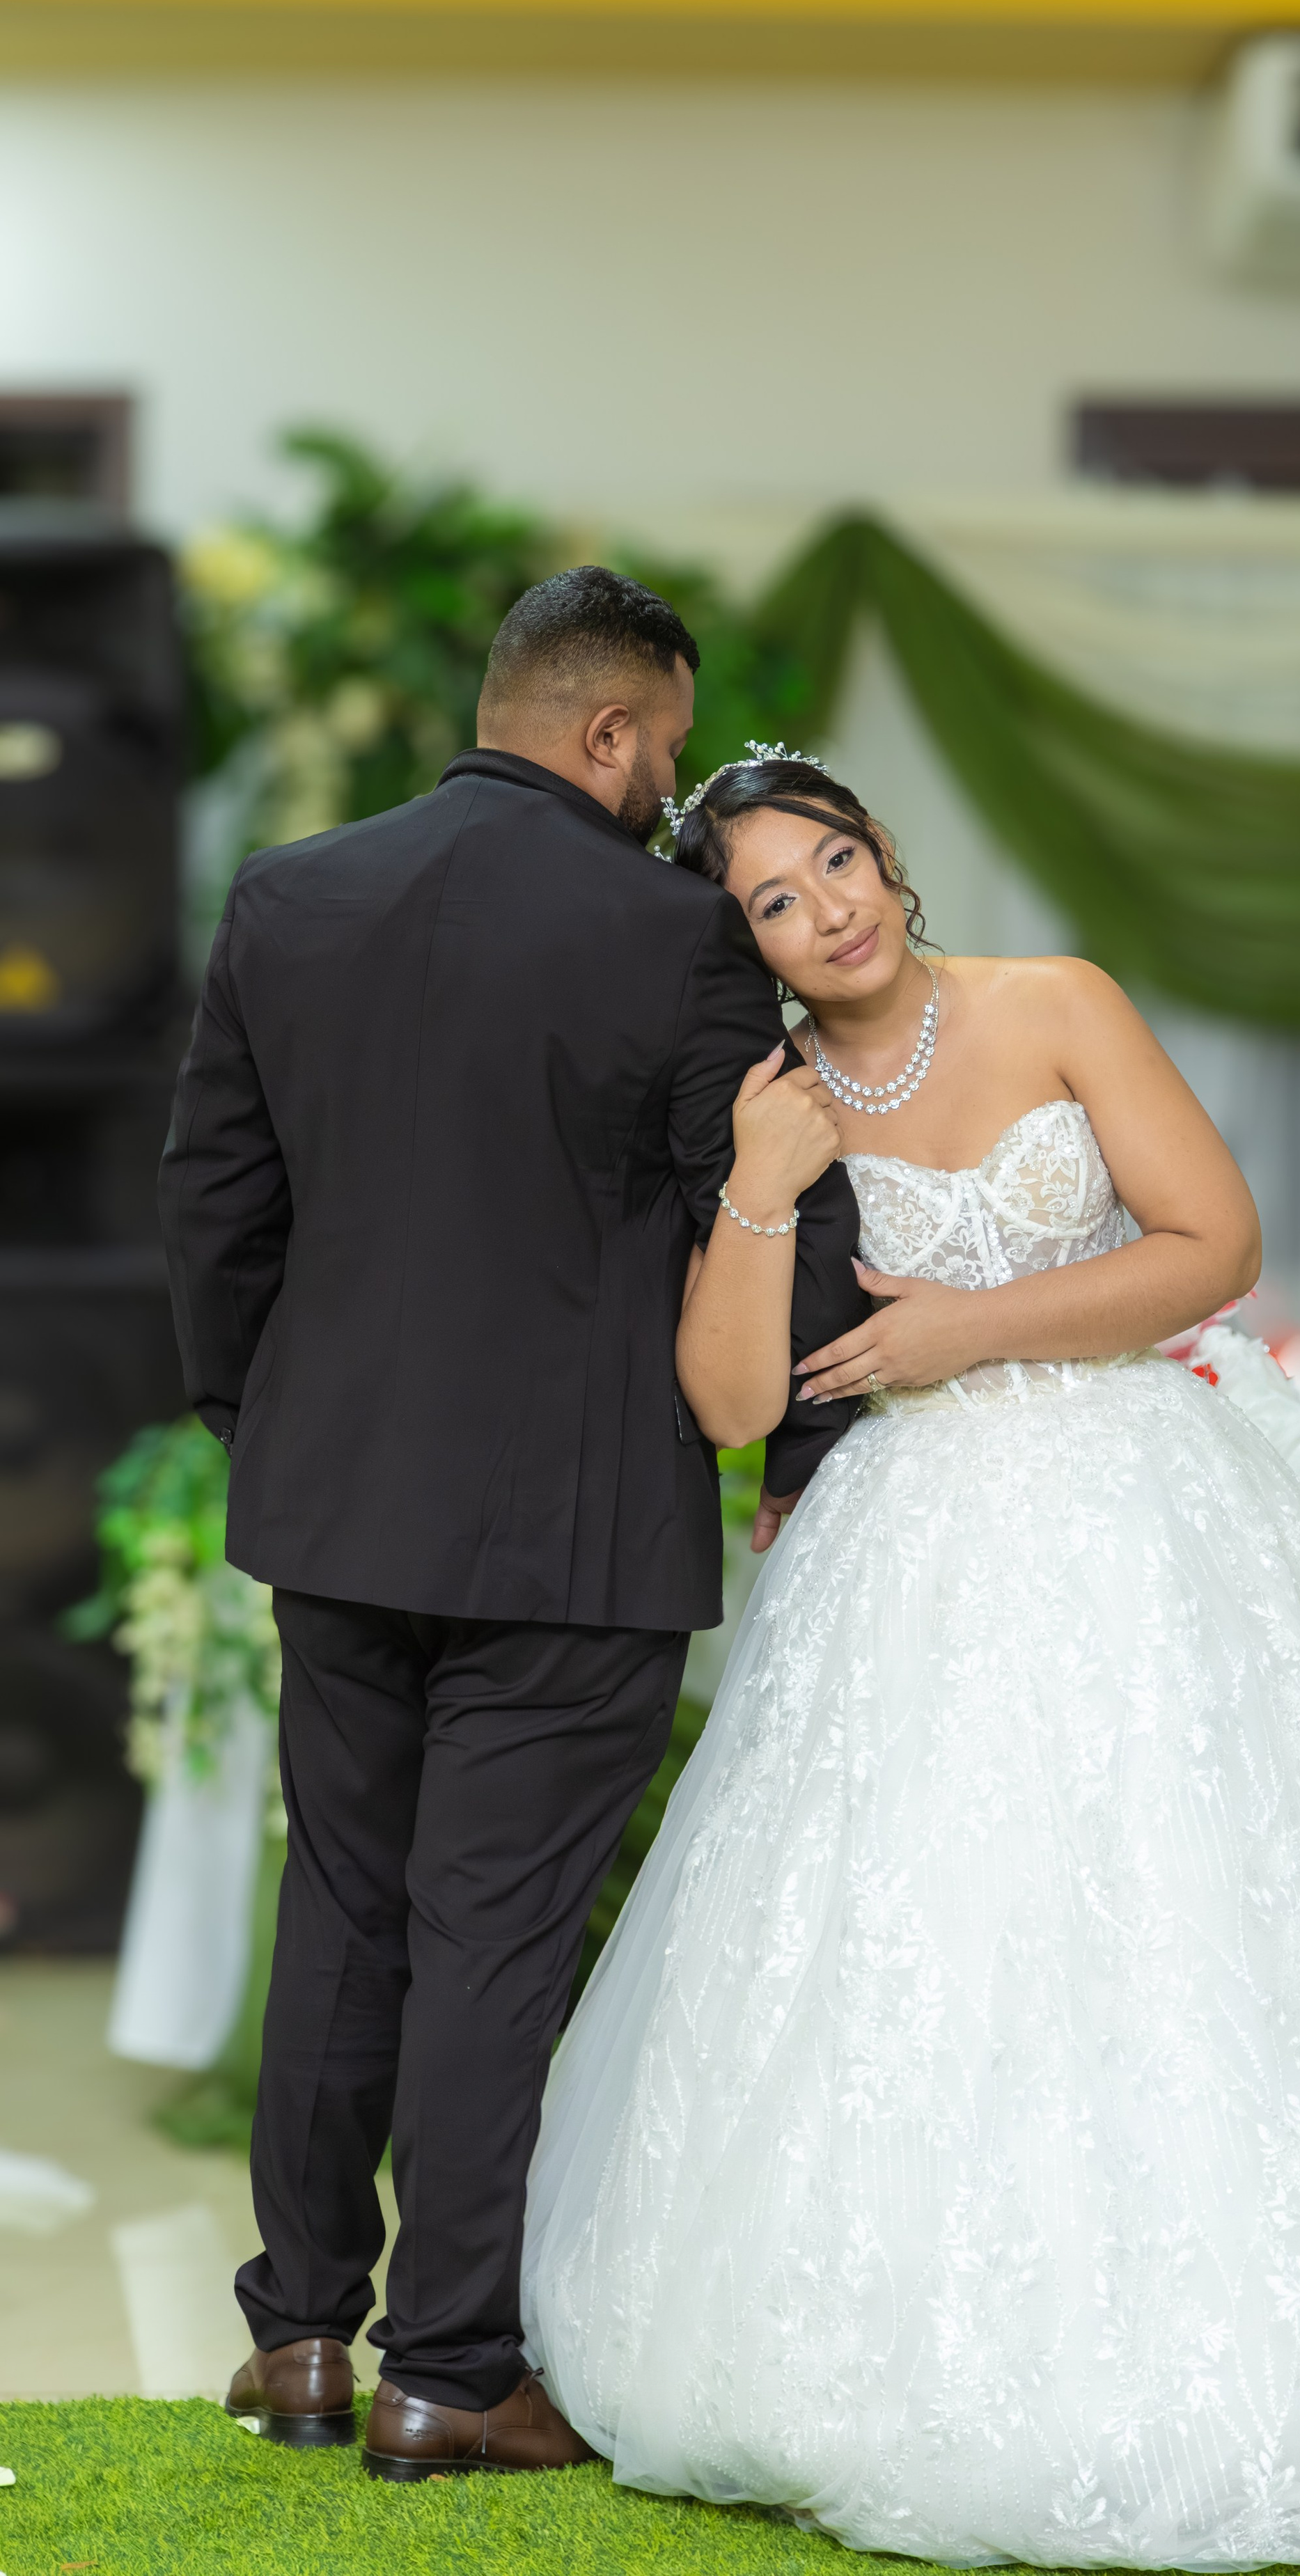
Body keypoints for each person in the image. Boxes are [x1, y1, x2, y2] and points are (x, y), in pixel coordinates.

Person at [522, 750, 1300, 2565]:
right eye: (776, 901)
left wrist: (965, 1328)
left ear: (889, 855)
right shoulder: (766, 1099)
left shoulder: (1055, 1007)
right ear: (745, 950)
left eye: (840, 860)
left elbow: (1213, 1243)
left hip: (1135, 1501)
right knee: (927, 1926)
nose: (831, 909)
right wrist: (759, 1184)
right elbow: (727, 1398)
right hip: (912, 1553)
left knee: (1208, 1889)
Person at [159, 579, 863, 2478]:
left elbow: (216, 1209)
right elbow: (769, 1213)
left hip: (339, 1498)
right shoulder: (673, 936)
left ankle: (300, 2335)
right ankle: (452, 2367)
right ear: (616, 736)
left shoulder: (291, 897)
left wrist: (273, 1427)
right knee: (494, 1940)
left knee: (347, 1905)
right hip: (574, 1518)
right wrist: (807, 1441)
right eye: (657, 754)